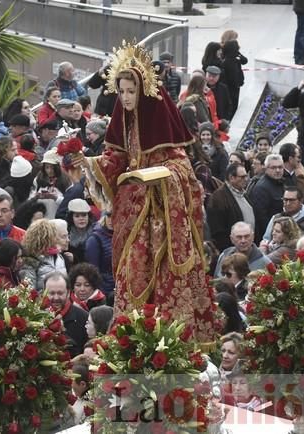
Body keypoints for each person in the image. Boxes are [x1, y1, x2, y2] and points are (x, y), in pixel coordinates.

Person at [73, 43, 215, 343]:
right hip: (133, 216)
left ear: (144, 92)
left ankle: (170, 340)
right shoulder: (125, 124)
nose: (124, 98)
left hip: (162, 221)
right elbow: (116, 160)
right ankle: (131, 338)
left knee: (163, 278)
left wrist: (163, 179)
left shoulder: (163, 132)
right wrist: (88, 162)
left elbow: (183, 172)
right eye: (121, 91)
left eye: (130, 92)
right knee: (131, 275)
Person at [207, 163, 255, 251]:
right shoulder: (218, 198)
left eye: (246, 176)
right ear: (231, 178)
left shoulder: (244, 194)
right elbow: (218, 232)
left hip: (249, 248)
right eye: (242, 177)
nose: (246, 179)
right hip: (232, 251)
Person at [44, 271, 88, 357]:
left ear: (68, 293)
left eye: (60, 293)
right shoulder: (35, 316)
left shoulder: (84, 318)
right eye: (52, 293)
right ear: (44, 292)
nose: (56, 298)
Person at [19, 219, 66, 291]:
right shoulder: (30, 261)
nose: (55, 239)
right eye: (52, 236)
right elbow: (28, 290)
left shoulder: (59, 256)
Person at [84, 211, 114, 296]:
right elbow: (93, 271)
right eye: (108, 216)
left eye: (114, 216)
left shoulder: (123, 235)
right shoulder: (95, 239)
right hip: (106, 290)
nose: (111, 220)